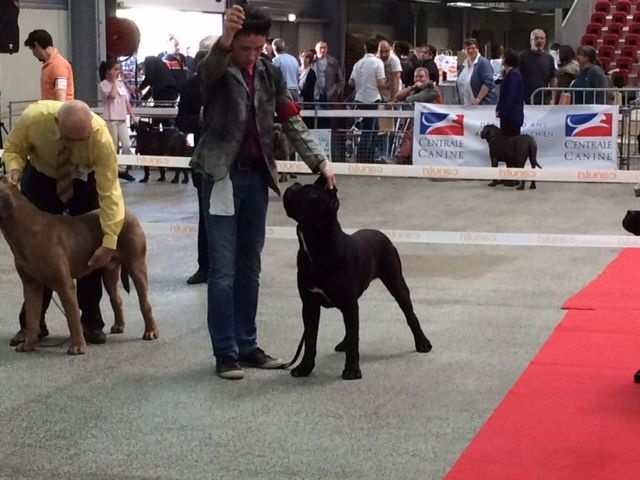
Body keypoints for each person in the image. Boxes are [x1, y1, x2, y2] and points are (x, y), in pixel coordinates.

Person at [190, 4, 336, 380]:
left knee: (249, 267)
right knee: (222, 269)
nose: (252, 55)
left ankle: (247, 345)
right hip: (220, 177)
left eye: (258, 48)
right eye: (245, 49)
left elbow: (291, 119)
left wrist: (319, 161)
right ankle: (225, 353)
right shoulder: (218, 65)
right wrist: (224, 42)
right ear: (232, 42)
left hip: (256, 178)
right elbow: (204, 76)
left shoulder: (270, 73)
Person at [2, 100, 125, 347]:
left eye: (83, 138)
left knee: (91, 250)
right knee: (38, 255)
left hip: (83, 181)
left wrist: (109, 242)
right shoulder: (34, 119)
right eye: (71, 139)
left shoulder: (100, 138)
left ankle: (91, 323)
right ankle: (32, 326)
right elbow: (13, 148)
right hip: (41, 178)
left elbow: (110, 193)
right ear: (58, 124)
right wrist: (14, 169)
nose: (77, 144)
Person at [175, 42, 214, 286]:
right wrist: (197, 118)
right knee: (205, 217)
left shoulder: (229, 81)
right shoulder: (190, 86)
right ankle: (205, 267)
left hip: (233, 161)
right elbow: (181, 122)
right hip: (203, 161)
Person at [99, 57, 138, 182]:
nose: (118, 72)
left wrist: (132, 116)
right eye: (115, 69)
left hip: (121, 119)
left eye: (119, 70)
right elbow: (113, 95)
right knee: (113, 146)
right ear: (108, 71)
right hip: (110, 119)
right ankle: (111, 169)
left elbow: (126, 102)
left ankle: (121, 169)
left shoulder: (122, 85)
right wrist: (115, 83)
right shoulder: (103, 85)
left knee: (127, 145)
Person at [24, 29, 74, 101]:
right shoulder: (50, 65)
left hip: (58, 111)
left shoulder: (58, 65)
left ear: (37, 45)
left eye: (33, 50)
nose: (33, 54)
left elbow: (61, 99)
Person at [518, 29, 557, 105]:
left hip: (543, 100)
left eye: (542, 38)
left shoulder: (549, 58)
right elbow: (517, 78)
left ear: (545, 41)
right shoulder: (522, 56)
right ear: (531, 40)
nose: (539, 40)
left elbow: (553, 79)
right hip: (525, 100)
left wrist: (553, 98)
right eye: (536, 38)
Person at [456, 38, 497, 106]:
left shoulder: (483, 62)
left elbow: (488, 83)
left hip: (481, 105)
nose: (471, 50)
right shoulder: (463, 64)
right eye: (468, 48)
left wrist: (478, 99)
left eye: (473, 48)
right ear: (465, 51)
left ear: (478, 49)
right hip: (466, 105)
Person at [495, 49, 524, 137]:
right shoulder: (508, 74)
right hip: (508, 116)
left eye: (503, 57)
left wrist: (503, 111)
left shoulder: (514, 74)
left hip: (512, 116)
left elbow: (511, 95)